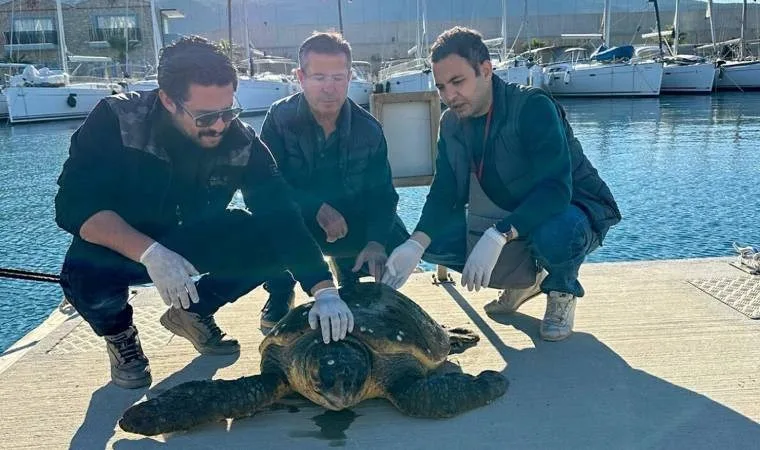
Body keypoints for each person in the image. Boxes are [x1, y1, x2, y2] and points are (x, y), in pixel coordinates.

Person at [54, 36, 353, 390]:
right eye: (206, 116)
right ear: (168, 100)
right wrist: (150, 253)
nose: (220, 125)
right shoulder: (116, 120)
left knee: (268, 237)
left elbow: (281, 215)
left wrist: (323, 291)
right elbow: (74, 204)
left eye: (228, 111)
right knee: (81, 275)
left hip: (191, 235)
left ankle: (193, 313)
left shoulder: (241, 141)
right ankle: (120, 335)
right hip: (122, 243)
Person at [382, 27, 621, 341]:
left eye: (457, 82)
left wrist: (498, 235)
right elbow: (445, 194)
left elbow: (556, 190)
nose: (448, 96)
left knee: (558, 233)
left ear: (485, 70)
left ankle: (560, 289)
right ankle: (526, 281)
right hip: (513, 213)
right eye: (441, 86)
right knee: (434, 243)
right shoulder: (452, 123)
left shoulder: (532, 107)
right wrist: (416, 243)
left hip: (573, 209)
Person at [258, 32, 408, 332]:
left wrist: (377, 242)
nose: (330, 88)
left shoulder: (369, 129)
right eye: (319, 77)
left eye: (339, 78)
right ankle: (280, 289)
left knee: (397, 244)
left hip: (350, 218)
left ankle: (352, 279)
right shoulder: (279, 118)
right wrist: (316, 207)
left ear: (350, 77)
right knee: (265, 222)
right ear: (300, 77)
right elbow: (266, 184)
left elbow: (383, 195)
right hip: (298, 216)